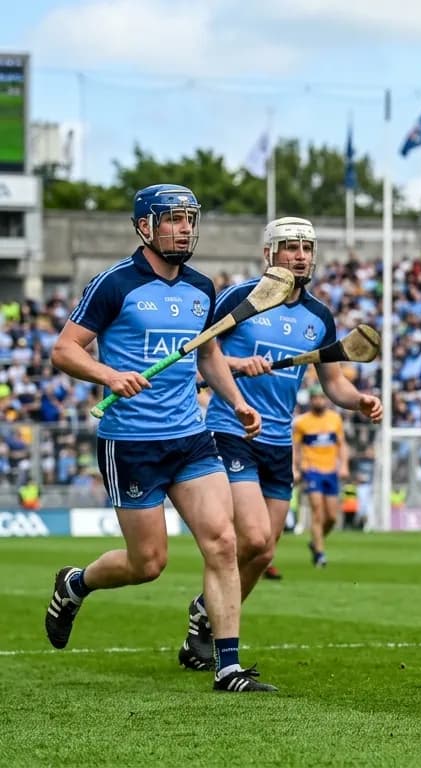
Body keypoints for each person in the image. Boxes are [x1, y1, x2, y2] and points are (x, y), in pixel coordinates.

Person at [44, 184, 275, 692]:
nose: (185, 228)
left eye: (190, 219)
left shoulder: (201, 287)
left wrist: (236, 401)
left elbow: (208, 353)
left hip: (191, 437)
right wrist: (108, 375)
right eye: (173, 219)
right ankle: (75, 584)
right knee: (147, 564)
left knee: (223, 541)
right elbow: (64, 350)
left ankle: (228, 667)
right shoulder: (114, 284)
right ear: (145, 226)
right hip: (131, 442)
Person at [178, 217, 383, 671]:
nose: (300, 256)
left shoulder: (319, 317)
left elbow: (333, 381)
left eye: (306, 248)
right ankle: (222, 642)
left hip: (278, 442)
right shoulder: (240, 298)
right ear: (269, 253)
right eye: (290, 247)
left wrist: (359, 400)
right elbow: (202, 352)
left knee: (263, 551)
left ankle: (205, 615)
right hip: (232, 430)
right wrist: (239, 364)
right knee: (250, 536)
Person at [293, 386, 352, 566]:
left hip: (331, 471)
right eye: (315, 398)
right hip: (312, 471)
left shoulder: (335, 419)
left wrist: (344, 465)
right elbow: (295, 448)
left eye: (321, 397)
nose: (318, 400)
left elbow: (342, 445)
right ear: (311, 400)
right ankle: (320, 554)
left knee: (332, 517)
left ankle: (315, 541)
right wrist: (295, 469)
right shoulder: (302, 422)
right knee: (317, 512)